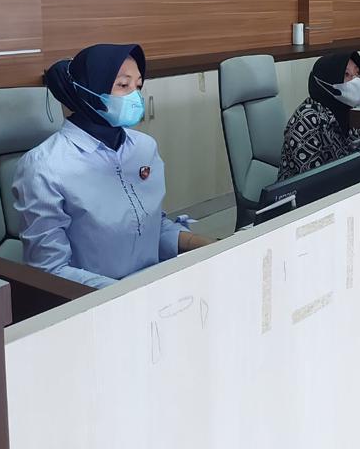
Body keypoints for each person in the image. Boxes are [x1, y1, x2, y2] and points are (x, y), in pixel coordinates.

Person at [12, 44, 212, 289]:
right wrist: (127, 295)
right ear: (88, 90)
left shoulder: (144, 148)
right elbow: (51, 270)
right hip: (94, 299)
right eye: (123, 85)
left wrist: (207, 245)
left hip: (151, 286)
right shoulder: (44, 167)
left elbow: (150, 228)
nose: (135, 97)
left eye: (138, 86)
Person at [278, 52, 360, 180]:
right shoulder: (306, 120)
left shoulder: (352, 111)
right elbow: (313, 181)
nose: (356, 80)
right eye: (346, 74)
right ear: (328, 81)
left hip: (349, 186)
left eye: (357, 73)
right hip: (307, 192)